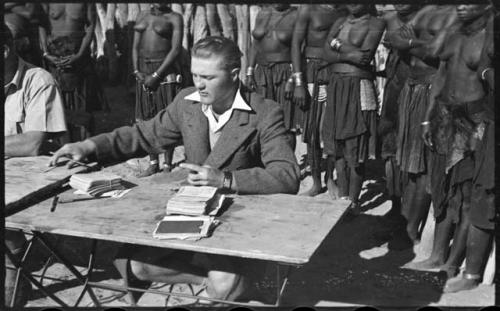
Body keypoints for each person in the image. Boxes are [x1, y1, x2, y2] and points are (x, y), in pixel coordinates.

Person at [49, 36, 300, 304]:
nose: (199, 84)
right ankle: (210, 281)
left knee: (224, 287)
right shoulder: (187, 102)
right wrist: (88, 146)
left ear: (235, 74)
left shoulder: (264, 112)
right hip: (193, 212)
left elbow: (286, 175)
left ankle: (229, 284)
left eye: (207, 77)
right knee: (136, 266)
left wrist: (225, 178)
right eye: (194, 75)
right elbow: (143, 135)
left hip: (238, 223)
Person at [419, 4, 492, 278]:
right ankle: (437, 255)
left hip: (474, 123)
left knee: (465, 197)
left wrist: (481, 130)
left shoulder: (489, 39)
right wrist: (427, 118)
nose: (462, 6)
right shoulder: (453, 35)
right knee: (442, 189)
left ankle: (451, 263)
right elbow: (439, 78)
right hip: (444, 118)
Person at [383, 5, 458, 249]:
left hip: (431, 92)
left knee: (425, 166)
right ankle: (407, 226)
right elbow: (392, 38)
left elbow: (438, 53)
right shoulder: (425, 12)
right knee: (411, 165)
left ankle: (412, 230)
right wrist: (416, 43)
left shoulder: (454, 14)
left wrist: (411, 42)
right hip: (412, 89)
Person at [3, 24, 67, 307]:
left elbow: (32, 144)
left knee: (8, 243)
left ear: (4, 51)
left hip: (31, 181)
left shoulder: (38, 80)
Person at [444, 6, 495, 293]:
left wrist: (488, 73)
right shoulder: (487, 28)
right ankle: (472, 274)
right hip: (488, 122)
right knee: (481, 192)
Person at [321, 4, 385, 213]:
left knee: (356, 145)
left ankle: (354, 201)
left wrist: (336, 44)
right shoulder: (340, 21)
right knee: (338, 142)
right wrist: (347, 54)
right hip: (337, 85)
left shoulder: (376, 23)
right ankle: (343, 196)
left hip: (359, 86)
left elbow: (365, 57)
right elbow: (326, 54)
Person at [291, 4, 347, 197]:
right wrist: (299, 82)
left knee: (333, 127)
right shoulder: (308, 8)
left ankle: (329, 177)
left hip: (338, 70)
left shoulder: (346, 9)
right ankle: (316, 181)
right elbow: (296, 44)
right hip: (312, 70)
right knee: (312, 129)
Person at [39, 3, 105, 143]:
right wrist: (45, 53)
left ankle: (86, 148)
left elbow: (90, 26)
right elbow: (42, 25)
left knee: (83, 103)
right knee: (57, 103)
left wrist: (80, 55)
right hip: (54, 56)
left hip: (79, 56)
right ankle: (61, 147)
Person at [132, 3, 183, 177]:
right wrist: (136, 71)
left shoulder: (174, 18)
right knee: (146, 119)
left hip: (164, 71)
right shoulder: (141, 16)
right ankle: (153, 163)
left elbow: (176, 50)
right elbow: (135, 47)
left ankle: (167, 163)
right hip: (143, 71)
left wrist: (156, 75)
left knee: (166, 117)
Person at [378, 4, 418, 221]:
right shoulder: (391, 17)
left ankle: (409, 213)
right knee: (390, 149)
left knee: (411, 153)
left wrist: (406, 42)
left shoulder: (428, 17)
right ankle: (395, 205)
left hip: (416, 91)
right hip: (394, 90)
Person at [245, 4, 299, 150]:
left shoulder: (296, 15)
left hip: (284, 72)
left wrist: (293, 78)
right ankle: (265, 164)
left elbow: (300, 48)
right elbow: (255, 44)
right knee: (261, 119)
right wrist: (249, 71)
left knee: (286, 122)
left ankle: (288, 166)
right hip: (262, 72)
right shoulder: (262, 13)